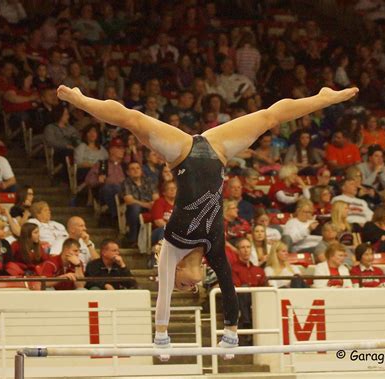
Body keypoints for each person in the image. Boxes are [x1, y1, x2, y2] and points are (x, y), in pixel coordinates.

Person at [57, 83, 358, 356]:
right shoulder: (213, 249)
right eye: (190, 289)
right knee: (269, 118)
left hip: (182, 154)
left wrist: (161, 336)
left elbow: (163, 297)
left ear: (176, 274)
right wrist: (230, 332)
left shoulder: (172, 247)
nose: (189, 288)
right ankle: (322, 99)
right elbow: (228, 288)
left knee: (132, 120)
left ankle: (81, 100)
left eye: (184, 287)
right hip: (218, 150)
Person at [120, 161, 158, 244]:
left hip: (150, 206)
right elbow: (129, 200)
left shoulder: (149, 181)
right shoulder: (126, 182)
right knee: (135, 207)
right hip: (134, 209)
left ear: (141, 170)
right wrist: (145, 204)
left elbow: (156, 197)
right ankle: (133, 238)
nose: (136, 170)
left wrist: (152, 203)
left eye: (138, 168)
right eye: (132, 169)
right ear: (128, 172)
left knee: (158, 205)